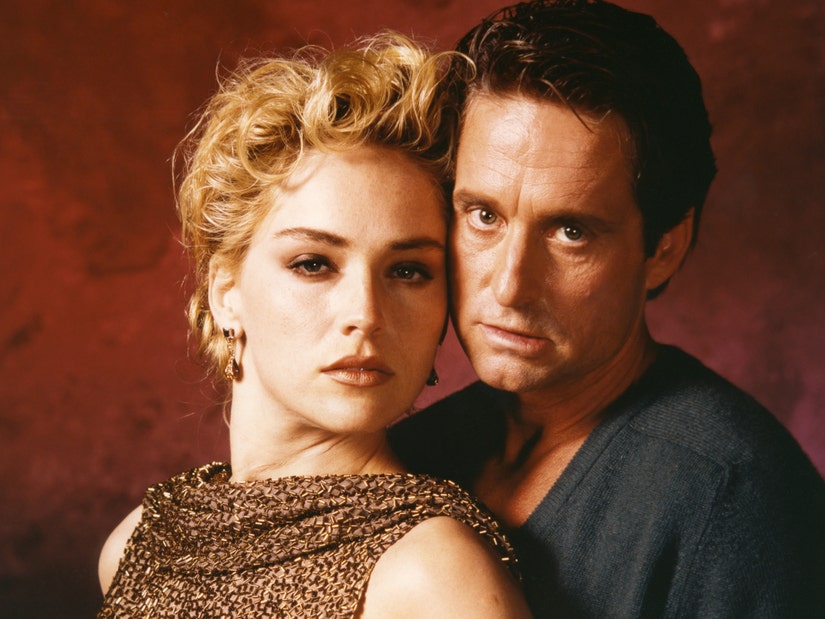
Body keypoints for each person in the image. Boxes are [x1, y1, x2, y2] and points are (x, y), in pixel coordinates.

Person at [389, 1, 825, 616]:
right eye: (484, 216)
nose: (510, 286)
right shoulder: (409, 455)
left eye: (571, 232)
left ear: (663, 248)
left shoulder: (737, 501)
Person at [96, 33, 532, 618]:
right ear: (225, 292)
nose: (366, 314)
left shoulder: (430, 578)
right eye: (313, 264)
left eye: (407, 271)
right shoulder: (139, 544)